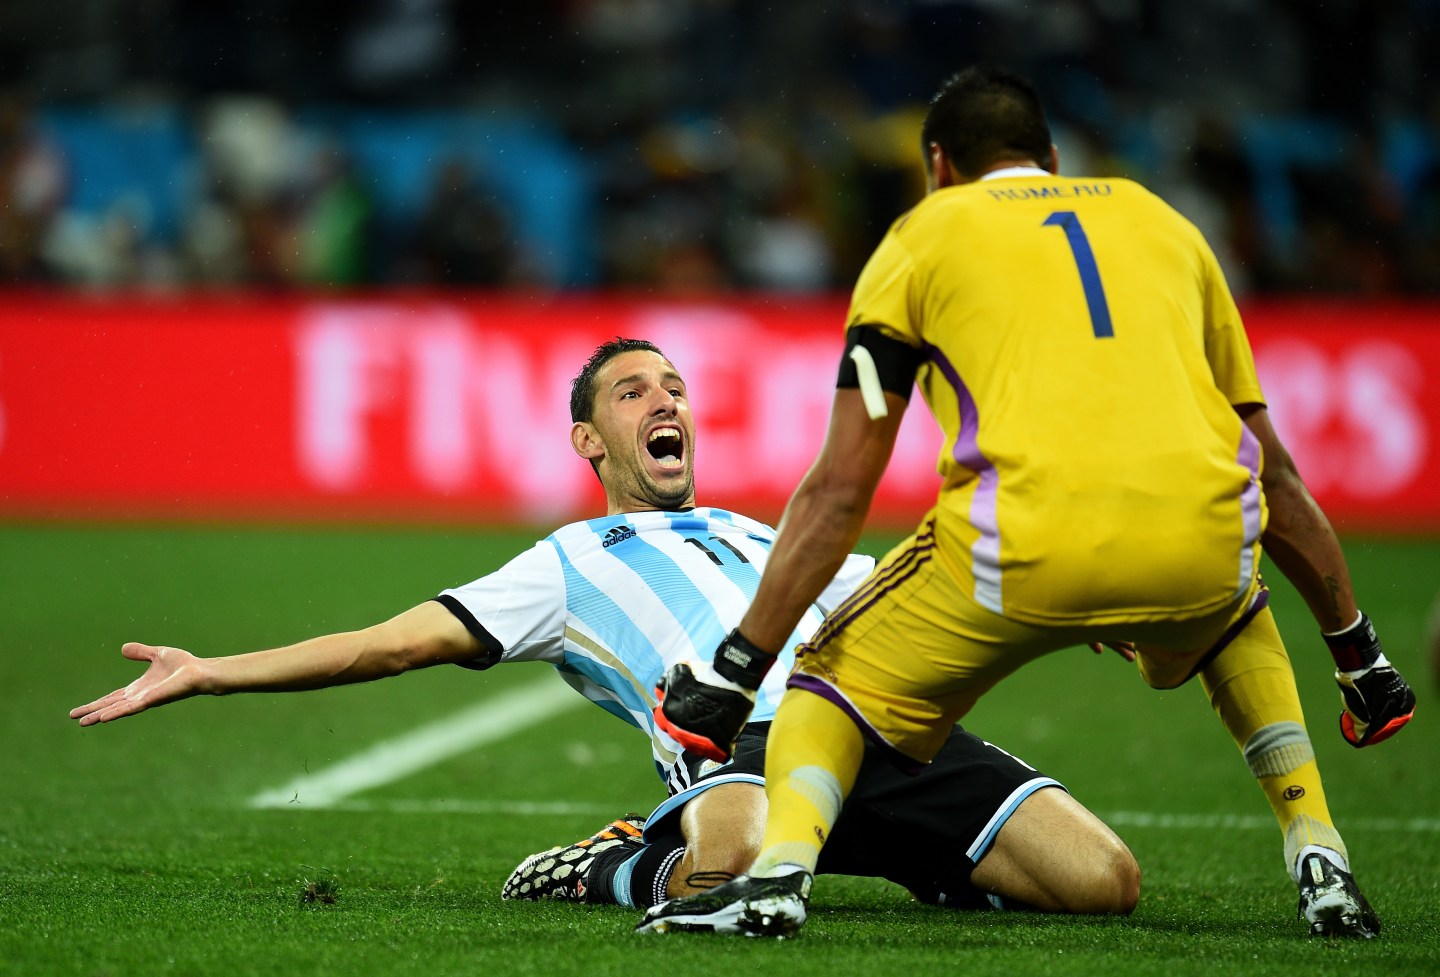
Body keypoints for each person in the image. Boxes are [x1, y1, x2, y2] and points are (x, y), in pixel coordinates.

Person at [643, 66, 1416, 940]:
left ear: (938, 165)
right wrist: (1362, 659)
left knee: (827, 679)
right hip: (1199, 537)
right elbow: (1275, 475)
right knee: (1238, 615)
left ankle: (778, 880)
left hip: (1017, 546)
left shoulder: (924, 233)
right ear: (1052, 157)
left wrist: (739, 667)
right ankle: (1320, 851)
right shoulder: (1166, 225)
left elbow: (838, 489)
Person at [70, 337, 1140, 917]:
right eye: (633, 391)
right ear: (590, 434)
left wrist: (1073, 603)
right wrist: (211, 671)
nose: (663, 400)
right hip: (740, 745)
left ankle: (878, 844)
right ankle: (621, 862)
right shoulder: (565, 564)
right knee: (723, 870)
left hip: (877, 725)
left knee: (1105, 883)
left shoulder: (767, 532)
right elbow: (389, 642)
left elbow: (921, 579)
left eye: (673, 386)